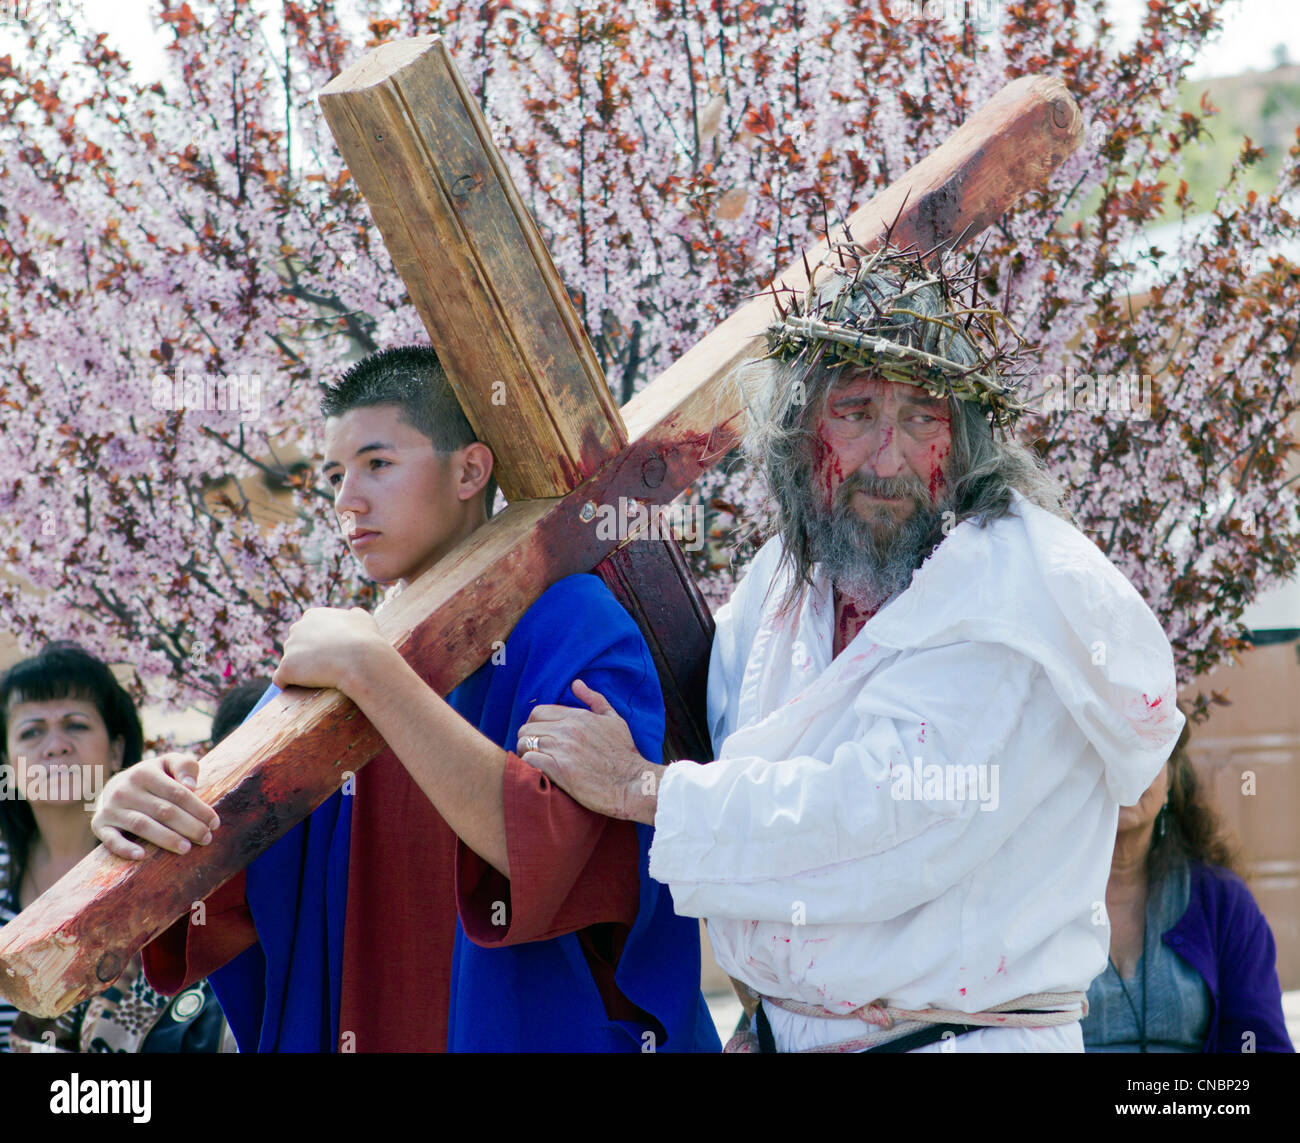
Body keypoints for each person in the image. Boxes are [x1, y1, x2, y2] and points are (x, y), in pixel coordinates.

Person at [518, 242, 1188, 1053]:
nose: (888, 456)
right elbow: (747, 782)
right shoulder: (781, 585)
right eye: (858, 411)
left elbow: (881, 816)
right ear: (802, 434)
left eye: (921, 418)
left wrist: (642, 786)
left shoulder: (1018, 591)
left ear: (968, 441)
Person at [91, 346, 719, 1053]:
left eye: (377, 463)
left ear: (470, 470)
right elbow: (234, 864)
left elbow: (551, 848)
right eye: (334, 474)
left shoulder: (572, 621)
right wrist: (146, 809)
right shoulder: (339, 658)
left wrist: (376, 676)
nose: (345, 499)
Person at [0, 643, 228, 1053]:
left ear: (118, 750)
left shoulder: (162, 856)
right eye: (31, 731)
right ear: (7, 762)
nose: (55, 746)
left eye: (76, 725)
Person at [1083, 706, 1292, 1052]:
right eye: (1105, 752)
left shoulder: (1220, 900)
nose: (1124, 770)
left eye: (1143, 753)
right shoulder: (1040, 900)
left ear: (1170, 782)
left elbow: (1260, 1043)